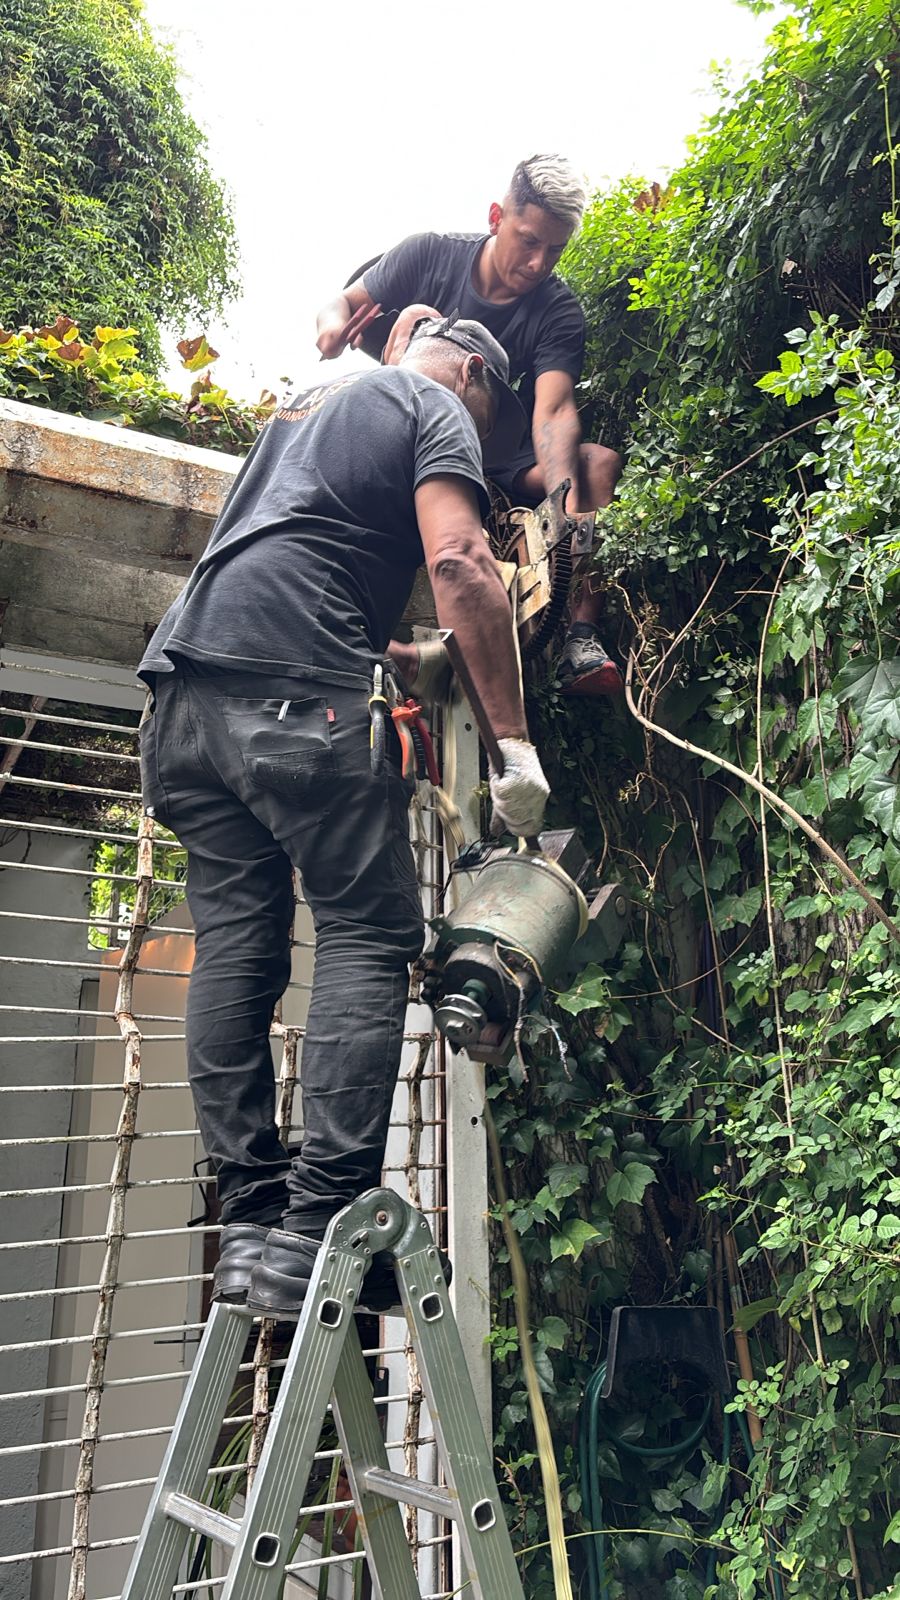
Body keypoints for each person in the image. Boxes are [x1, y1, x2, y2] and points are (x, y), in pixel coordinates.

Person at [137, 318, 550, 1319]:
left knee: (237, 946)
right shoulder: (434, 401)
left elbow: (293, 556)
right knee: (368, 931)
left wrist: (390, 655)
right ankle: (325, 1221)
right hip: (292, 696)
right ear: (475, 375)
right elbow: (460, 566)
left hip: (185, 705)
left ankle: (248, 1226)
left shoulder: (306, 409)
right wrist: (514, 748)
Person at [315, 153, 623, 697]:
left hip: (493, 457)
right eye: (529, 241)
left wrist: (559, 505)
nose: (538, 263)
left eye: (555, 250)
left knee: (596, 465)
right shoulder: (429, 253)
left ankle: (580, 637)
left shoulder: (558, 311)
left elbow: (552, 411)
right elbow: (344, 301)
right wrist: (333, 329)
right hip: (410, 446)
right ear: (496, 217)